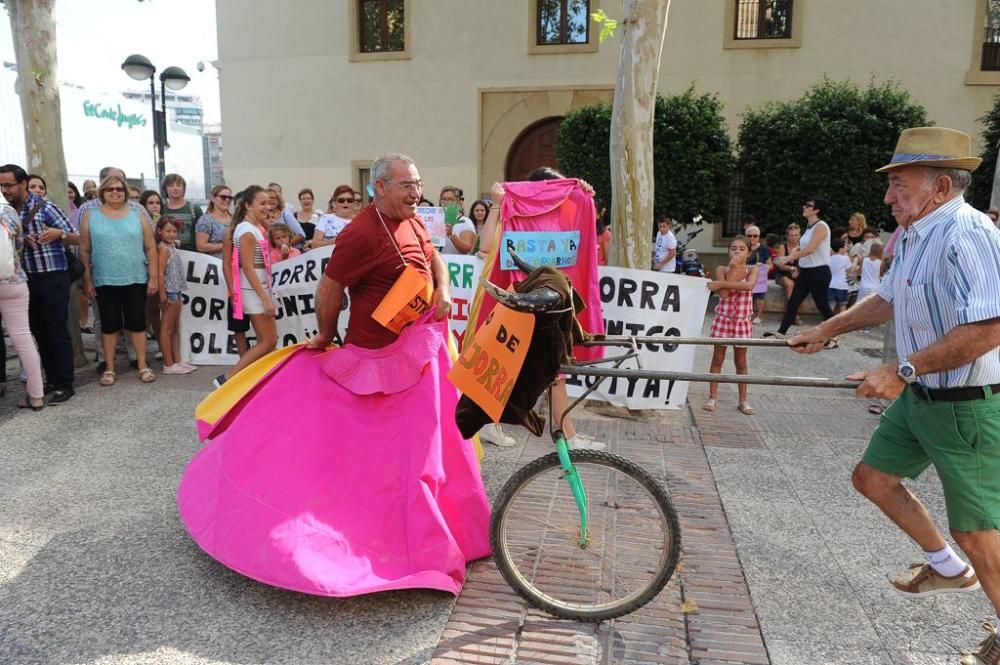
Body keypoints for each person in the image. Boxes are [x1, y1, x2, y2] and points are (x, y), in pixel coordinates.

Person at [789, 127, 1000, 665]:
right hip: (923, 395)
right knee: (873, 479)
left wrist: (902, 369)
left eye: (899, 184)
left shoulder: (968, 232)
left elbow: (991, 326)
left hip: (968, 402)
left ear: (941, 185)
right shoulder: (914, 233)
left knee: (978, 532)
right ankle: (950, 570)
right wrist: (827, 327)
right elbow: (887, 299)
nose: (888, 197)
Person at [478, 166, 605, 449]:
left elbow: (584, 234)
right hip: (520, 301)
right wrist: (498, 205)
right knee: (530, 368)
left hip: (547, 304)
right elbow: (486, 245)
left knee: (550, 371)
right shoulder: (509, 207)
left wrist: (581, 195)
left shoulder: (563, 218)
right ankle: (565, 434)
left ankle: (561, 431)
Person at [0, 164, 77, 404]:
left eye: (9, 185)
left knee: (56, 331)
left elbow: (77, 235)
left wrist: (58, 234)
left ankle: (64, 384)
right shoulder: (9, 212)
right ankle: (50, 381)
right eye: (2, 185)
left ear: (23, 183)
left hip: (53, 276)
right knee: (39, 333)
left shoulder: (45, 207)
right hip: (28, 280)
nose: (5, 190)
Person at [79, 175, 158, 387]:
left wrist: (154, 277)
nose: (115, 192)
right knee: (109, 326)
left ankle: (142, 365)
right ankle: (110, 368)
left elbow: (150, 247)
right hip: (104, 280)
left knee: (137, 324)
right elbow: (84, 250)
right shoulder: (90, 215)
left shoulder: (137, 213)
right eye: (110, 189)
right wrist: (86, 280)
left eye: (119, 189)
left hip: (135, 278)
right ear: (102, 193)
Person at [213, 186, 276, 388]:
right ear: (248, 205)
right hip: (253, 291)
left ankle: (248, 377)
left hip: (256, 288)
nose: (267, 207)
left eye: (269, 202)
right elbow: (247, 267)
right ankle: (228, 378)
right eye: (262, 203)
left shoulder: (252, 228)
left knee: (267, 340)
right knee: (268, 341)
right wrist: (265, 298)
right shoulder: (247, 231)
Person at [765, 197, 835, 340]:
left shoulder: (821, 226)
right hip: (806, 271)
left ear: (816, 210)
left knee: (822, 305)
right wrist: (796, 257)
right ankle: (780, 333)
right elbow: (804, 247)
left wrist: (787, 258)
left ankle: (835, 335)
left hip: (819, 271)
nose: (804, 206)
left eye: (808, 205)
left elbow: (811, 249)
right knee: (794, 302)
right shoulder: (810, 227)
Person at [704, 236, 758, 415]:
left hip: (742, 321)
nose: (737, 251)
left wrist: (721, 283)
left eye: (742, 249)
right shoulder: (722, 269)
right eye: (733, 248)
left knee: (741, 361)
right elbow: (725, 295)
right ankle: (713, 396)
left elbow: (749, 286)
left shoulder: (753, 270)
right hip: (723, 319)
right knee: (718, 358)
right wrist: (733, 268)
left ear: (749, 252)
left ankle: (743, 399)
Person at [0, 202, 45, 409]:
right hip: (13, 280)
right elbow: (18, 246)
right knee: (24, 339)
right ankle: (36, 396)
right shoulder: (8, 211)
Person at [156, 216, 196, 375]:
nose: (172, 234)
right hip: (170, 291)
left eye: (174, 231)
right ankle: (168, 363)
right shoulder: (164, 249)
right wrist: (162, 293)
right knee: (167, 328)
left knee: (175, 328)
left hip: (177, 290)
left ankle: (177, 360)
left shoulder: (171, 246)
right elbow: (160, 272)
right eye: (168, 231)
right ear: (160, 231)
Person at [162, 173, 204, 252]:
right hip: (166, 254)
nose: (175, 188)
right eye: (171, 186)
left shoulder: (195, 209)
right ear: (165, 189)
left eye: (178, 185)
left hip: (192, 255)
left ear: (183, 189)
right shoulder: (161, 210)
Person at [195, 185, 232, 258]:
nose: (227, 200)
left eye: (230, 198)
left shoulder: (234, 219)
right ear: (213, 199)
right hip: (215, 264)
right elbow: (201, 247)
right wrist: (228, 245)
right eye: (223, 197)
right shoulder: (205, 220)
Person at [745, 224, 770, 324]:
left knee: (760, 295)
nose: (752, 238)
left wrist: (765, 268)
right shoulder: (743, 247)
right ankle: (746, 315)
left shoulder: (764, 249)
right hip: (745, 275)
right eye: (749, 235)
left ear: (759, 237)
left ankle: (759, 316)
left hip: (760, 277)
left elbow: (770, 264)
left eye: (755, 236)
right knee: (746, 294)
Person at [439, 185, 476, 255]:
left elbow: (466, 249)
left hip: (455, 264)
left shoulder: (465, 222)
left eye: (450, 199)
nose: (446, 202)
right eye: (443, 199)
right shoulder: (436, 220)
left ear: (458, 202)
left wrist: (451, 234)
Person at [828, 238, 851, 314]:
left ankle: (828, 321)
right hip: (842, 285)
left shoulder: (829, 258)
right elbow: (849, 271)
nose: (847, 248)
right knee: (843, 305)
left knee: (831, 305)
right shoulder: (846, 258)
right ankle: (841, 322)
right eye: (845, 246)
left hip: (831, 285)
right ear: (841, 249)